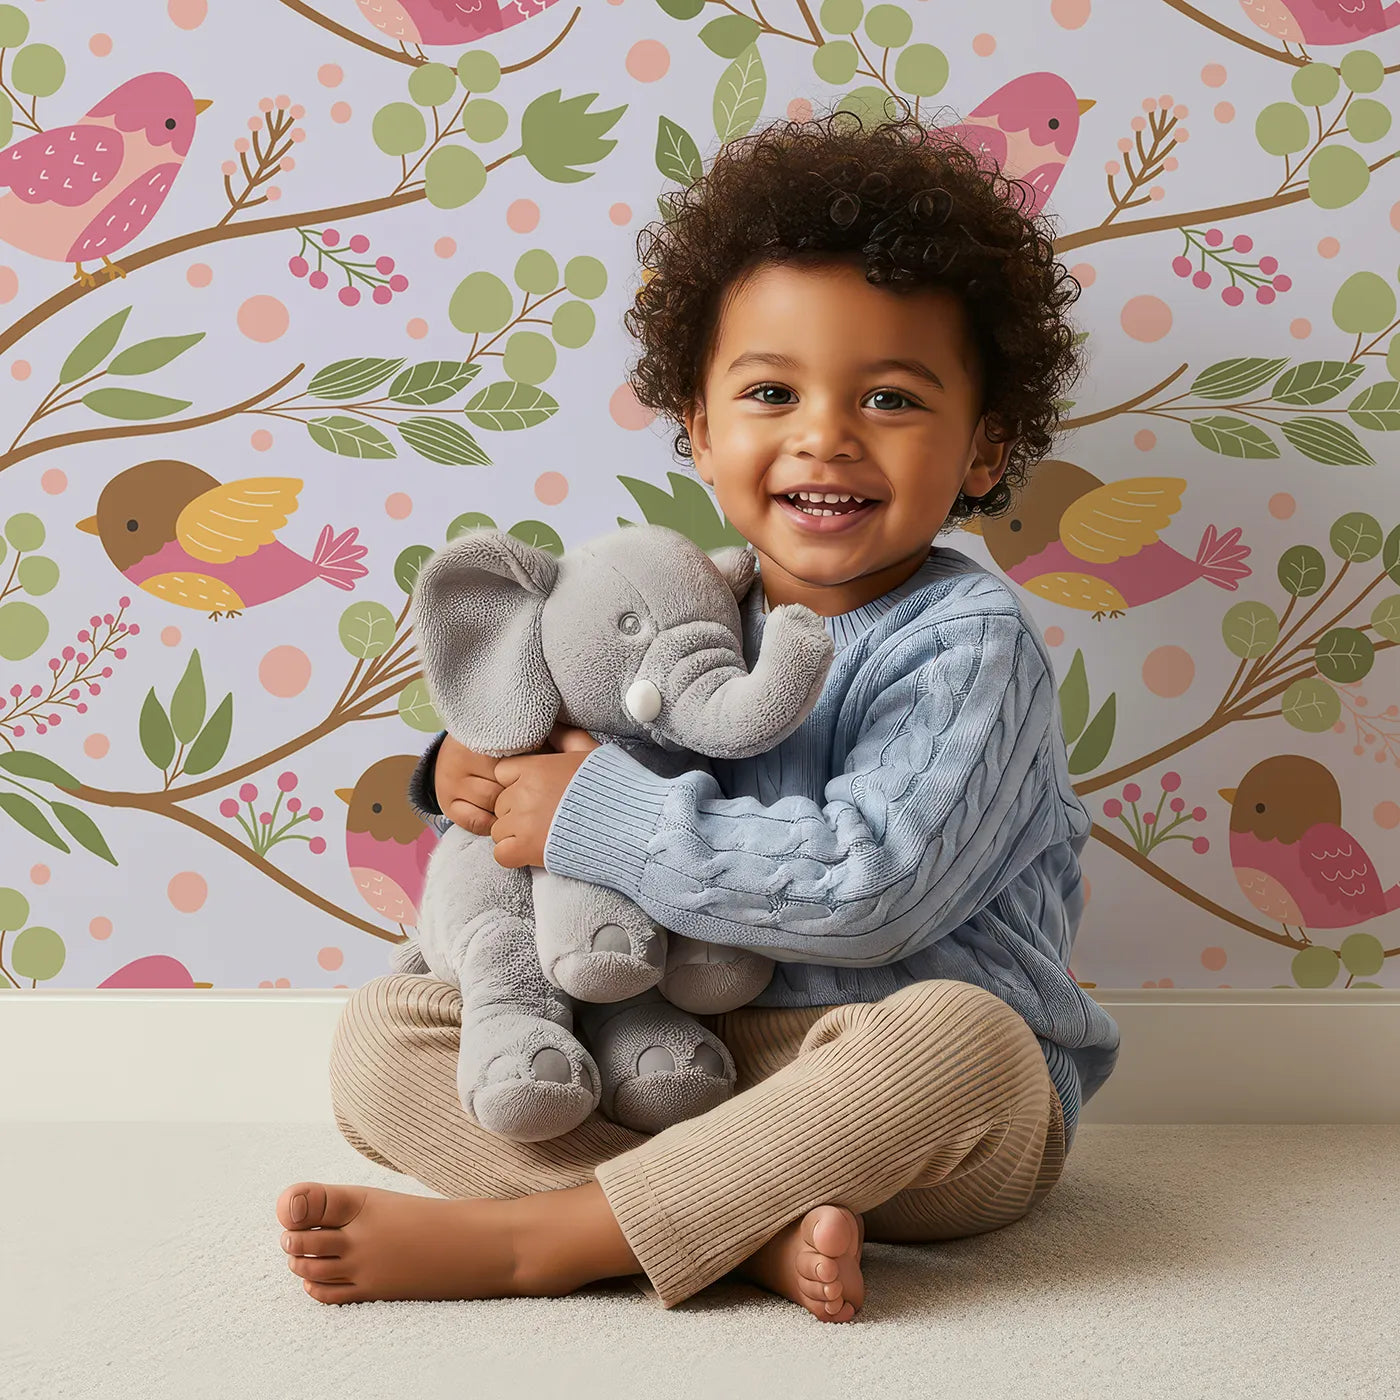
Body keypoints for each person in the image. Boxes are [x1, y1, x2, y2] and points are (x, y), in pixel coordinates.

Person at [274, 105, 1121, 1322]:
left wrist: (595, 817)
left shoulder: (966, 643)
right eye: (771, 390)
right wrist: (475, 765)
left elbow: (869, 885)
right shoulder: (673, 605)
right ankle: (730, 1229)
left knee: (963, 1043)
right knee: (383, 1033)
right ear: (699, 427)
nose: (822, 433)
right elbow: (562, 729)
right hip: (674, 1054)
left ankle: (546, 1234)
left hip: (871, 1083)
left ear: (984, 446)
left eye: (888, 397)